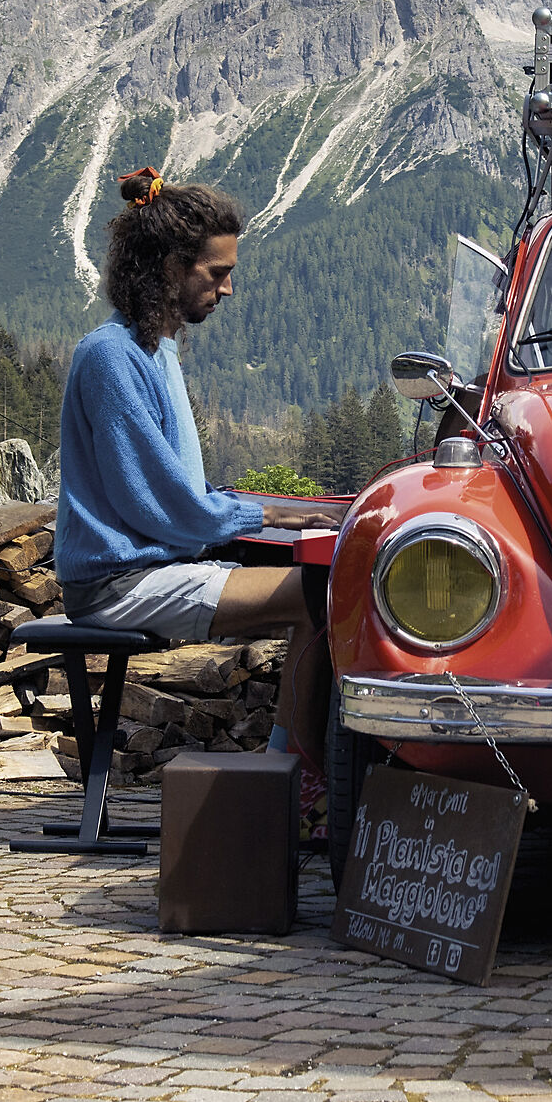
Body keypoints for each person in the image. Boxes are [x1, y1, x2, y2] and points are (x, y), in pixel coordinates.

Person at [56, 168, 342, 758]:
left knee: (325, 588)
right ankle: (290, 777)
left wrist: (286, 513)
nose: (228, 288)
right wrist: (272, 515)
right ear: (169, 267)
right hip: (119, 585)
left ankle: (285, 773)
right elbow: (167, 507)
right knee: (324, 595)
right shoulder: (110, 357)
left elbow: (178, 493)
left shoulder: (153, 350)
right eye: (217, 273)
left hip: (147, 569)